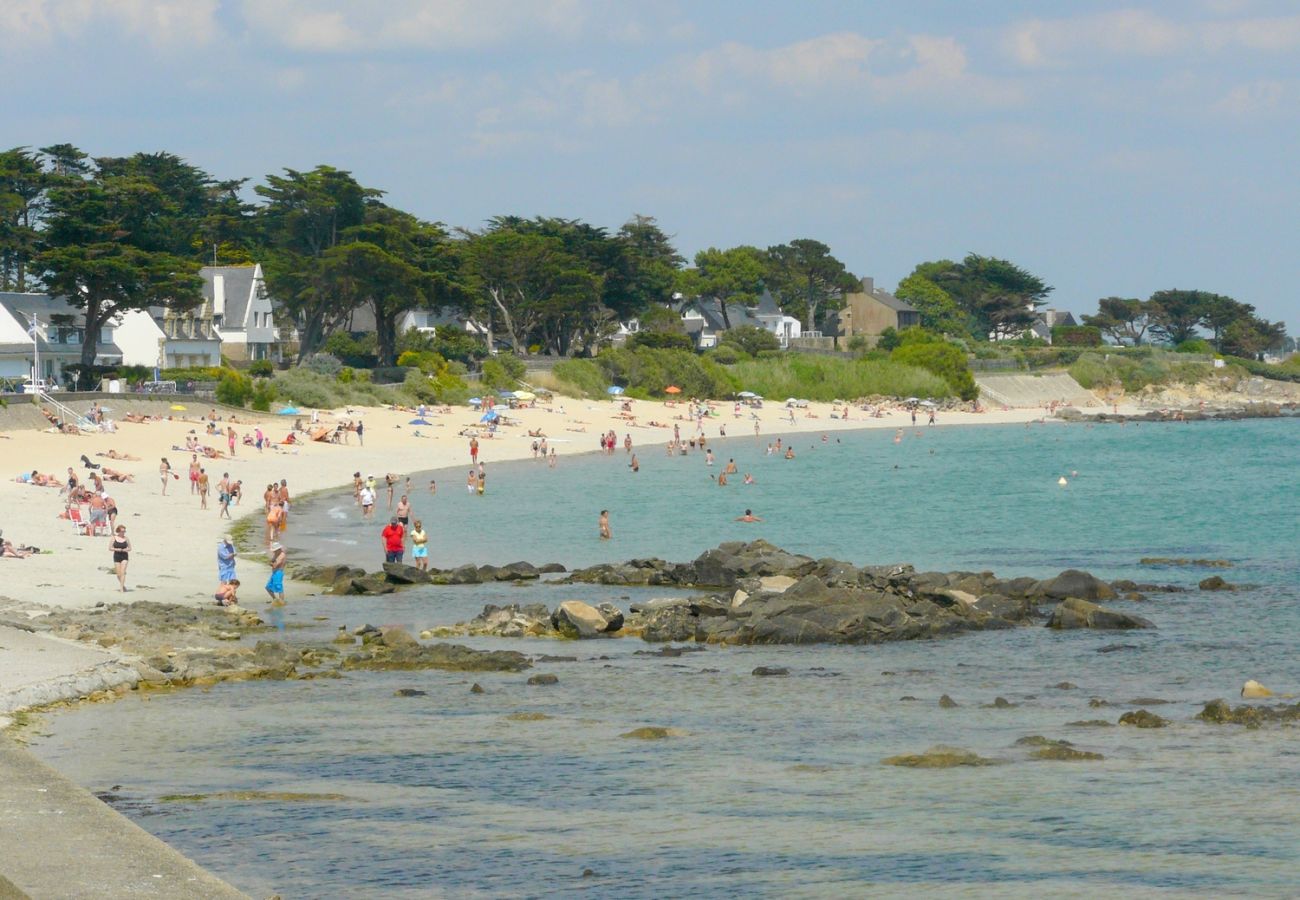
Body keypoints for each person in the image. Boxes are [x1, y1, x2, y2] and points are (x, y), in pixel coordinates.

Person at [110, 525, 131, 592]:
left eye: (124, 531)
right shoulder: (114, 538)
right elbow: (110, 548)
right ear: (118, 531)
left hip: (124, 556)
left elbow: (130, 548)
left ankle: (121, 588)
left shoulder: (126, 538)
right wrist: (117, 549)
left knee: (123, 572)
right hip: (117, 556)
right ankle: (123, 586)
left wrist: (126, 550)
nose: (123, 532)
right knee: (118, 574)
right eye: (122, 531)